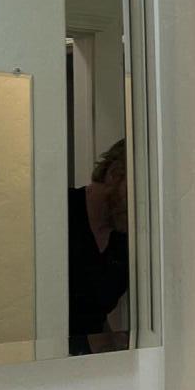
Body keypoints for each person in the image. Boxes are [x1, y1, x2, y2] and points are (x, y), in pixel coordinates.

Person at [69, 139, 130, 353]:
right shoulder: (61, 211)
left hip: (93, 370)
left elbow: (95, 311)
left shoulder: (125, 240)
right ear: (114, 175)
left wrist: (111, 341)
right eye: (138, 191)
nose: (143, 205)